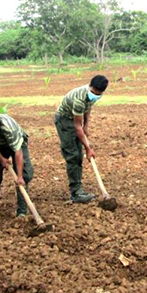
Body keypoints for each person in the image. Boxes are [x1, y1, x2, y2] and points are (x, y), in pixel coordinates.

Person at [54, 75, 108, 203]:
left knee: (79, 155)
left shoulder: (95, 95)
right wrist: (88, 148)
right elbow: (76, 126)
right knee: (73, 155)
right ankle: (76, 193)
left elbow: (88, 108)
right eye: (94, 93)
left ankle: (78, 189)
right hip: (65, 120)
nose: (95, 96)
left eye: (98, 94)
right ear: (90, 87)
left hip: (75, 120)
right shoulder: (79, 99)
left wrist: (86, 125)